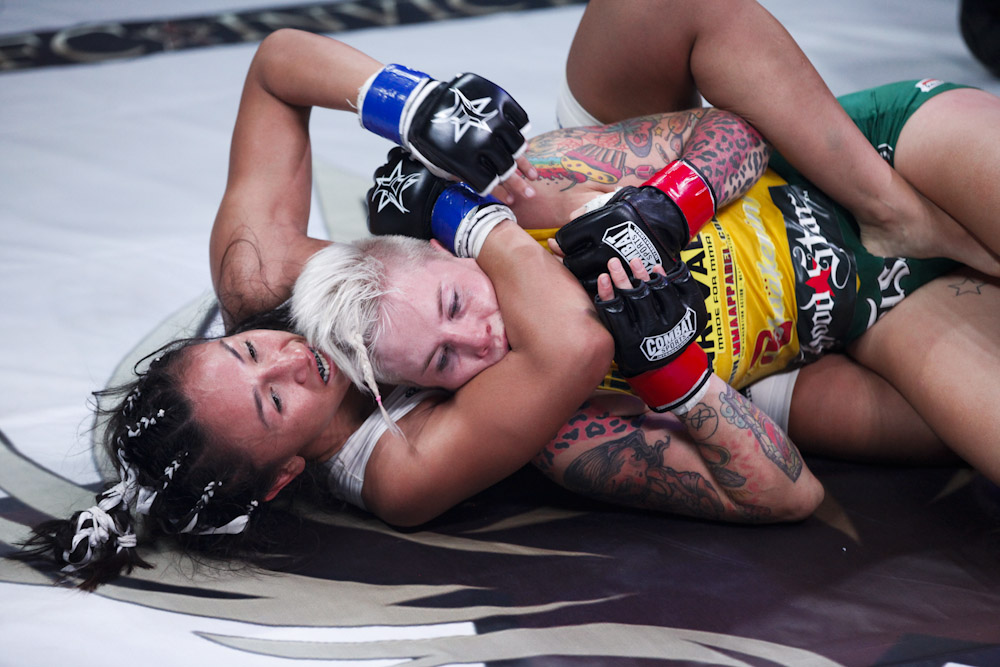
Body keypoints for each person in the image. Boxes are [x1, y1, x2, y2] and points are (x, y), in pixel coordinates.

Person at [13, 27, 827, 591]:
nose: (291, 359)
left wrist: (409, 104)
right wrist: (455, 213)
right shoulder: (393, 467)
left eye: (246, 352)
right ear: (286, 474)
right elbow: (575, 344)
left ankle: (880, 200)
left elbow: (276, 64)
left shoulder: (260, 284)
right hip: (690, 322)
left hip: (584, 195)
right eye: (275, 401)